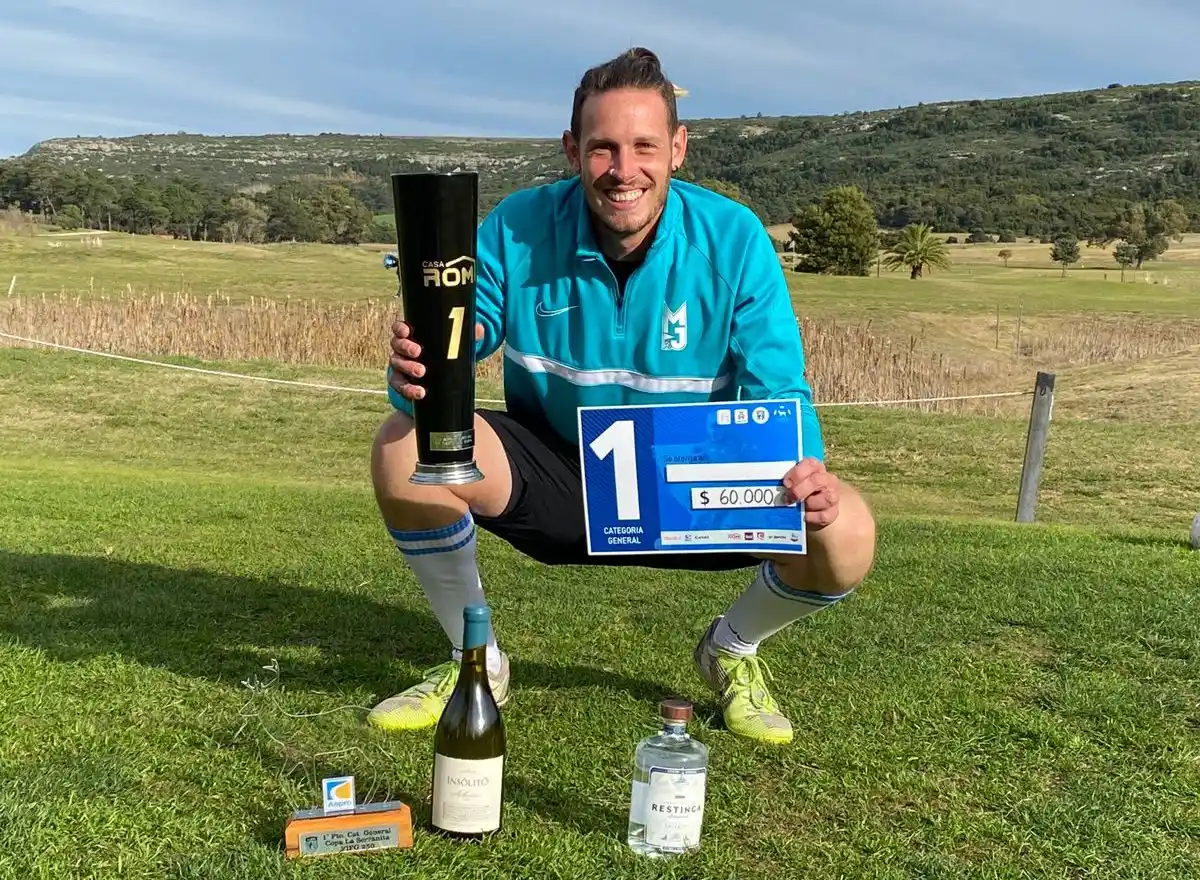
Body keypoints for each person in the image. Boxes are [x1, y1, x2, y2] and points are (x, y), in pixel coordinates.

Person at [367, 47, 877, 746]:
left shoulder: (734, 238)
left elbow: (778, 384)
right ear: (573, 150)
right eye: (603, 148)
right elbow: (468, 324)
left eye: (644, 146)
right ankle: (473, 661)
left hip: (692, 484)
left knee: (846, 530)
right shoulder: (518, 225)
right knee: (402, 448)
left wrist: (807, 469)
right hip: (562, 469)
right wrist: (422, 372)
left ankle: (732, 650)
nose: (623, 170)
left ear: (679, 148)